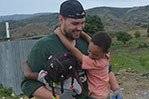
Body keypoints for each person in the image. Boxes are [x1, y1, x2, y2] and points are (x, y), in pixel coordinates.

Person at [21, 0, 123, 99]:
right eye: (75, 23)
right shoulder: (43, 46)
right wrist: (57, 97)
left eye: (82, 23)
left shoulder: (87, 44)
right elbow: (28, 84)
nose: (80, 28)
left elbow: (106, 70)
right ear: (61, 20)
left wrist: (116, 89)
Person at [55, 30, 112, 99]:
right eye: (89, 51)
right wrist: (80, 32)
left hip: (96, 96)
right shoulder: (106, 55)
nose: (91, 55)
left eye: (95, 55)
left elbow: (72, 49)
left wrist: (59, 33)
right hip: (105, 93)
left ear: (105, 52)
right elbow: (90, 40)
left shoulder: (95, 63)